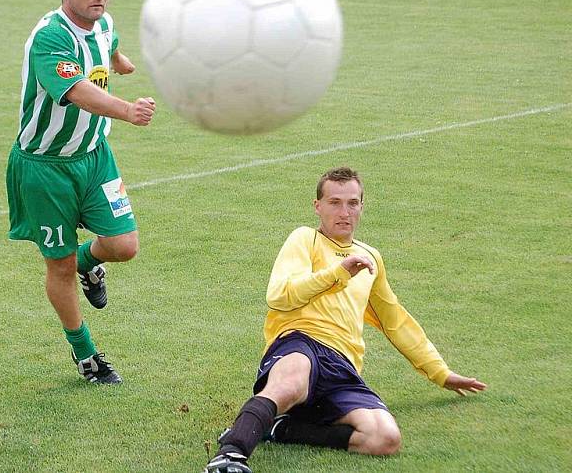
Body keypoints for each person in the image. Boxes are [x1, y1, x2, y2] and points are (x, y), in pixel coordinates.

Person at [205, 167, 487, 472]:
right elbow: (280, 294)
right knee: (291, 382)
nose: (344, 212)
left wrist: (441, 373)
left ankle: (281, 429)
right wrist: (338, 273)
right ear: (318, 206)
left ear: (362, 207)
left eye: (352, 203)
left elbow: (394, 320)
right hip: (301, 342)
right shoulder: (305, 239)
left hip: (342, 364)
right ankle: (231, 453)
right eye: (335, 202)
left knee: (385, 438)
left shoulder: (370, 258)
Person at [6, 0, 155, 385]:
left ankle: (89, 262)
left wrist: (119, 61)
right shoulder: (49, 38)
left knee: (125, 245)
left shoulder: (104, 24)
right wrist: (127, 110)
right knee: (58, 265)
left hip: (93, 156)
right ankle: (86, 353)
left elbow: (107, 44)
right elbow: (77, 91)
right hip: (45, 168)